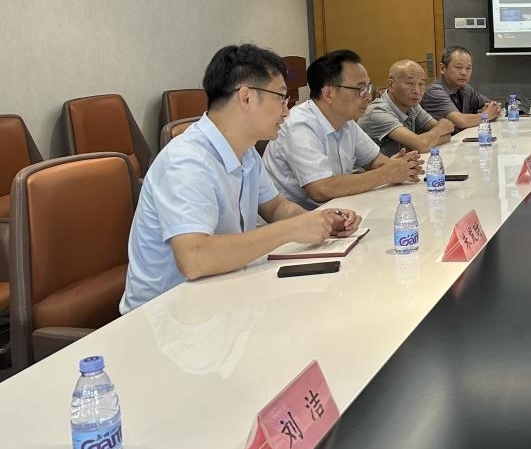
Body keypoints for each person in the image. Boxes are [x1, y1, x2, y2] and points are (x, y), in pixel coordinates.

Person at [122, 45, 363, 313]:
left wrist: (322, 220)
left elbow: (276, 207)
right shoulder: (187, 161)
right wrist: (292, 229)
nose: (287, 111)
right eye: (281, 98)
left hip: (220, 294)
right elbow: (194, 258)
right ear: (246, 97)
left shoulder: (246, 153)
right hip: (165, 314)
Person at [264, 49, 420, 210]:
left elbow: (374, 160)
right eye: (360, 89)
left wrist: (400, 166)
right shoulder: (299, 125)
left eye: (368, 87)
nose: (368, 96)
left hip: (336, 210)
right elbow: (321, 189)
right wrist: (386, 173)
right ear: (329, 93)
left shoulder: (346, 122)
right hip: (296, 218)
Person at [359, 59, 455, 155]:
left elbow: (447, 134)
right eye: (409, 83)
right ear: (391, 85)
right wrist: (437, 131)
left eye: (421, 84)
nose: (417, 91)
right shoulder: (377, 112)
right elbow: (422, 144)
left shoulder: (413, 105)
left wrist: (420, 143)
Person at [420, 45, 502, 130]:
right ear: (442, 68)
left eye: (468, 68)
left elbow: (493, 105)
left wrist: (492, 108)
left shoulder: (466, 89)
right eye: (458, 67)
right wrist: (486, 115)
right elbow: (461, 122)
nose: (464, 73)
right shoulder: (433, 92)